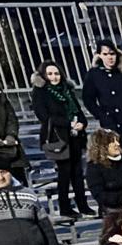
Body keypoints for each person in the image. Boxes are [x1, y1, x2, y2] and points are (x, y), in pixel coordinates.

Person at [29, 61, 91, 220]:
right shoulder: (40, 92)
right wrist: (68, 123)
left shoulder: (67, 89)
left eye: (56, 73)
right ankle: (65, 207)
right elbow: (44, 116)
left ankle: (83, 204)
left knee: (78, 173)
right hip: (58, 137)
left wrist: (82, 123)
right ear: (43, 76)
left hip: (75, 136)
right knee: (65, 173)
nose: (54, 77)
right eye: (50, 74)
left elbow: (79, 110)